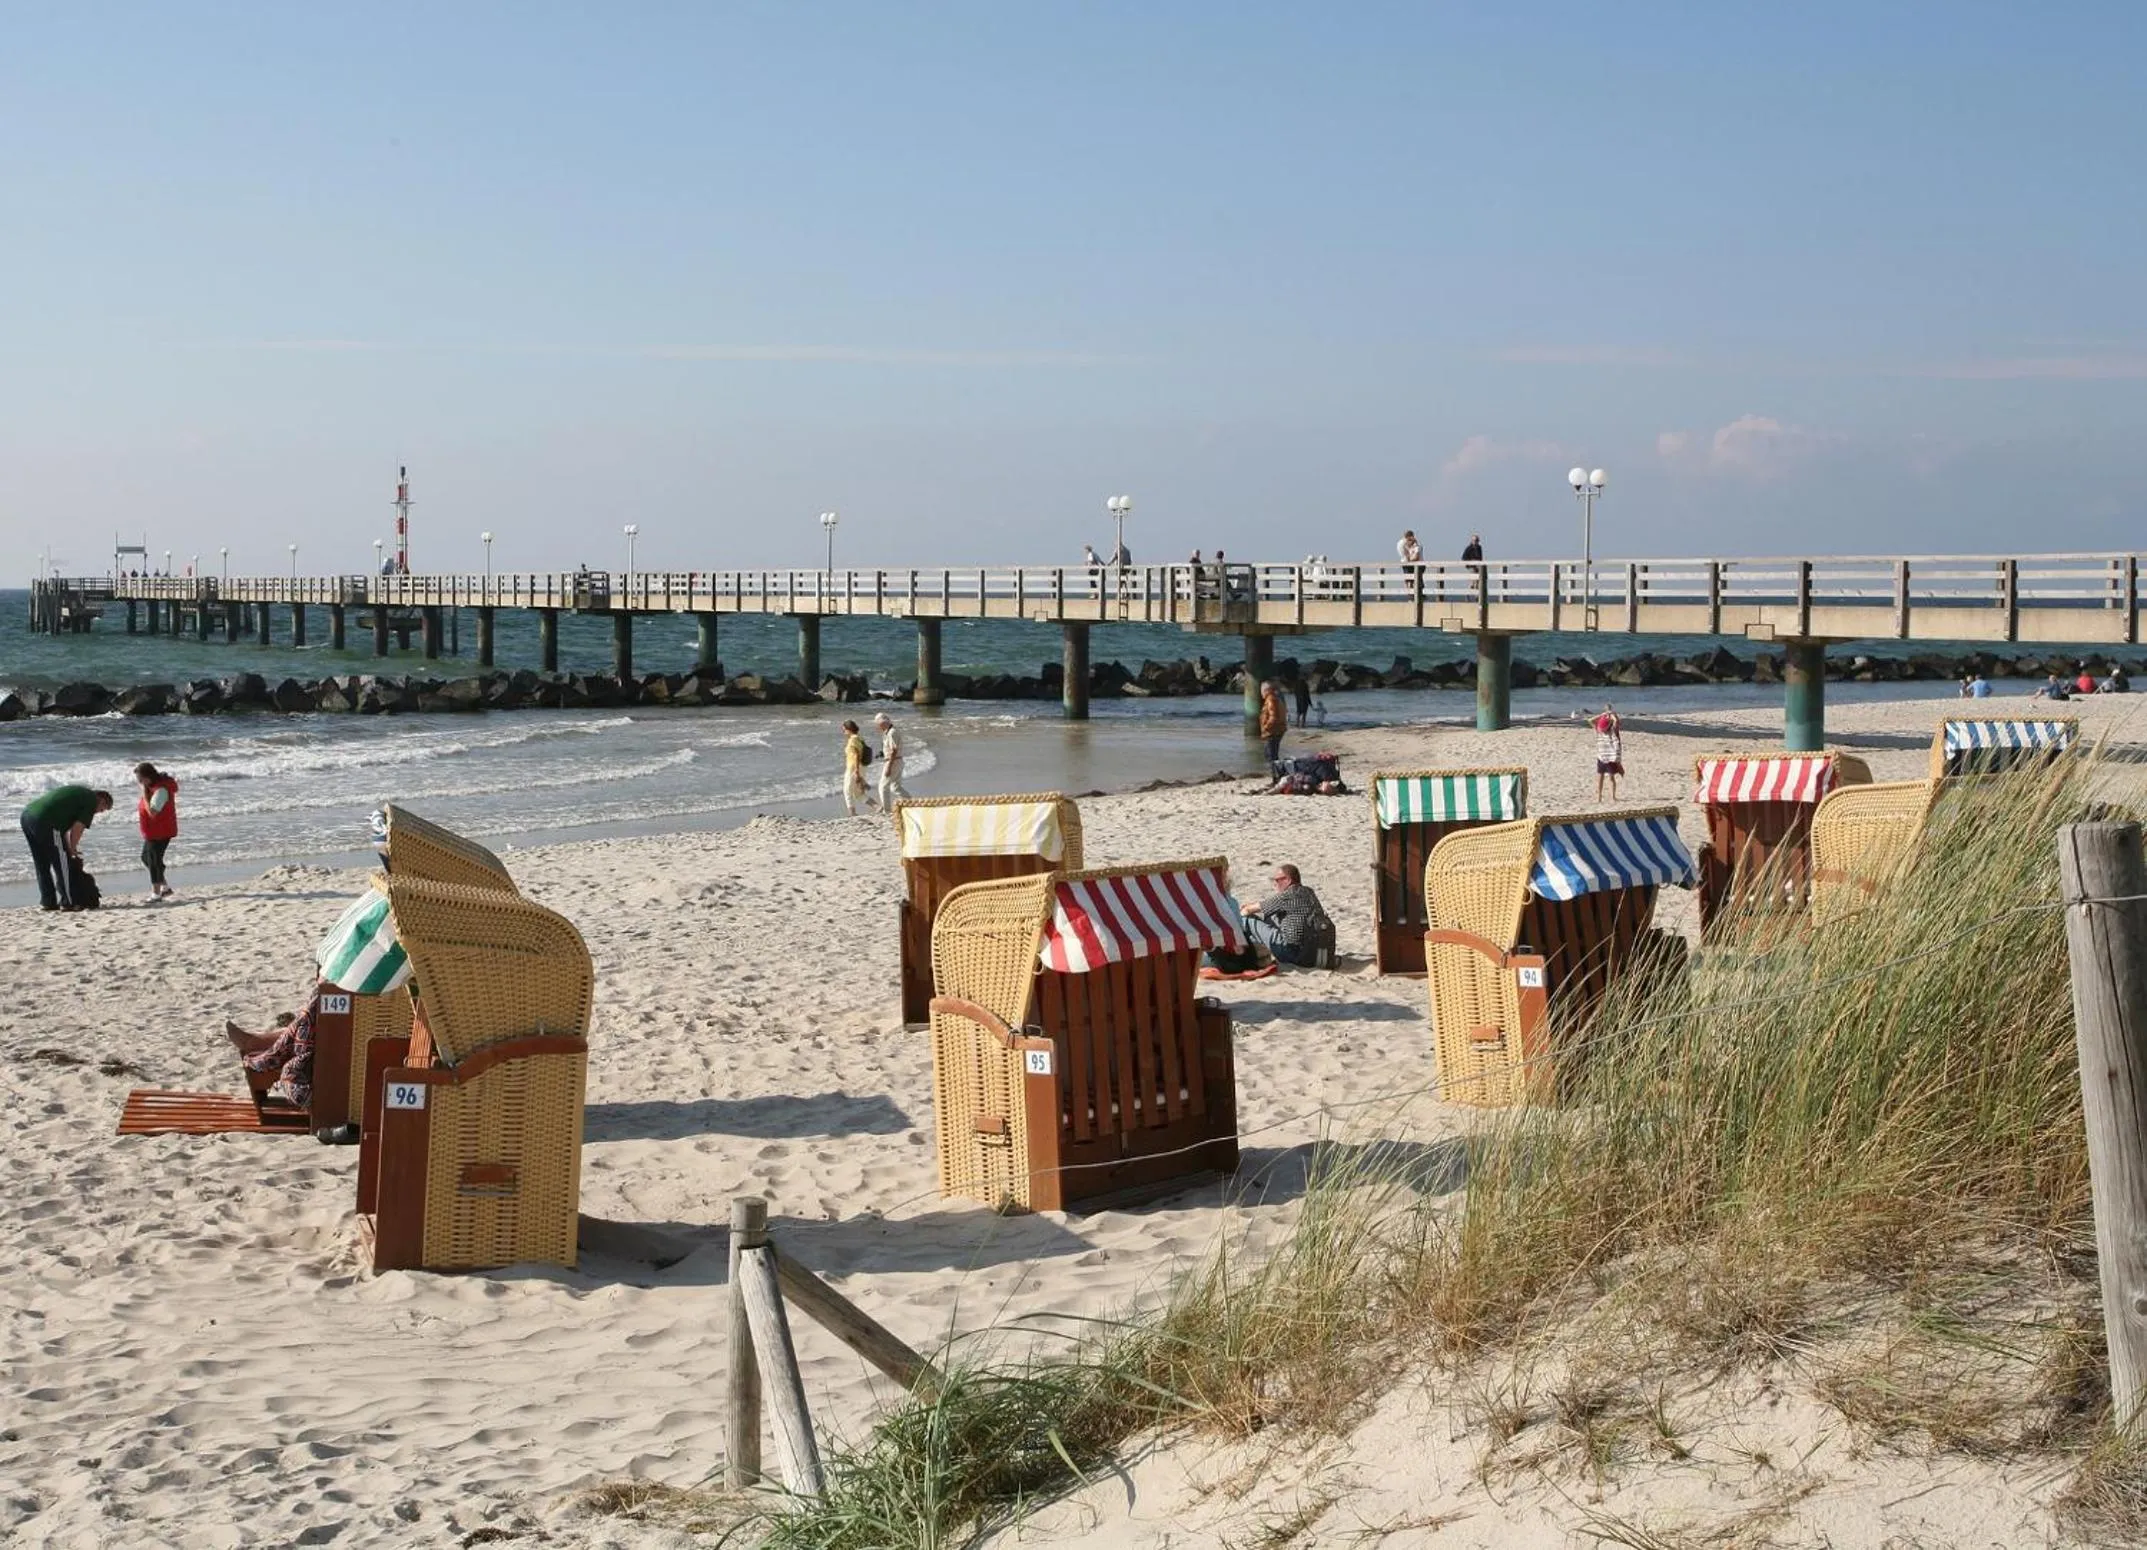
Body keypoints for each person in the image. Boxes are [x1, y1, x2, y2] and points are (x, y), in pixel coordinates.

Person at [20, 785, 113, 912]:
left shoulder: (78, 796)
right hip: (46, 821)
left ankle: (48, 902)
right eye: (102, 809)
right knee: (62, 865)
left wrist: (69, 848)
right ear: (102, 799)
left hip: (27, 816)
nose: (98, 812)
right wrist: (73, 848)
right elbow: (78, 828)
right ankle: (68, 901)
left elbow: (64, 830)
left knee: (41, 863)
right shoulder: (91, 800)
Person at [1240, 864, 1325, 967]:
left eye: (1277, 880)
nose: (1275, 884)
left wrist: (1241, 911)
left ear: (1287, 880)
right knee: (1269, 916)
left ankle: (1243, 955)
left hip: (1291, 953)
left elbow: (1248, 911)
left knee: (1246, 920)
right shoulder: (1308, 892)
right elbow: (1266, 907)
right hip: (1312, 953)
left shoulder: (1288, 895)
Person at [134, 761, 179, 899]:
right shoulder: (152, 787)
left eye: (141, 780)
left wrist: (144, 794)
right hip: (152, 831)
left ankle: (156, 893)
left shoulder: (161, 790)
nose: (140, 783)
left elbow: (153, 812)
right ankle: (165, 887)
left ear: (149, 777)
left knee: (154, 860)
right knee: (146, 858)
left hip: (161, 831)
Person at [874, 712, 910, 810]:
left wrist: (889, 767)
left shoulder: (892, 732)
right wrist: (882, 753)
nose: (878, 726)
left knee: (883, 786)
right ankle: (910, 802)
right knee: (895, 787)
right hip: (897, 761)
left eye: (878, 724)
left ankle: (887, 810)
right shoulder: (889, 732)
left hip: (893, 761)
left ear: (883, 723)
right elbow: (891, 748)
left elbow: (894, 750)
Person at [840, 719, 874, 816]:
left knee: (847, 790)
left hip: (853, 768)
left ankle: (852, 813)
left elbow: (856, 755)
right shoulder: (860, 738)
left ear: (849, 729)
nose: (843, 732)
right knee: (858, 793)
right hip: (862, 766)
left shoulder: (853, 740)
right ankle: (877, 807)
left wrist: (856, 771)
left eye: (844, 730)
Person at [1592, 705, 1624, 801]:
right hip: (1605, 756)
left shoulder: (1609, 731)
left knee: (1606, 777)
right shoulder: (1602, 730)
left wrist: (1607, 716)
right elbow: (1591, 720)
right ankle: (1605, 796)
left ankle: (1608, 796)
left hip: (1606, 756)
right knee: (1605, 777)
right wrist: (1608, 715)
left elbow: (1591, 720)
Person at [1258, 678, 1288, 768]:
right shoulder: (1275, 698)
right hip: (1277, 730)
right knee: (1271, 754)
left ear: (1266, 690)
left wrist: (1265, 728)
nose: (1261, 693)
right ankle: (1275, 775)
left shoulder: (1271, 700)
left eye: (1262, 691)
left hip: (1273, 731)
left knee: (1270, 755)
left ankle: (1275, 776)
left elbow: (1273, 717)